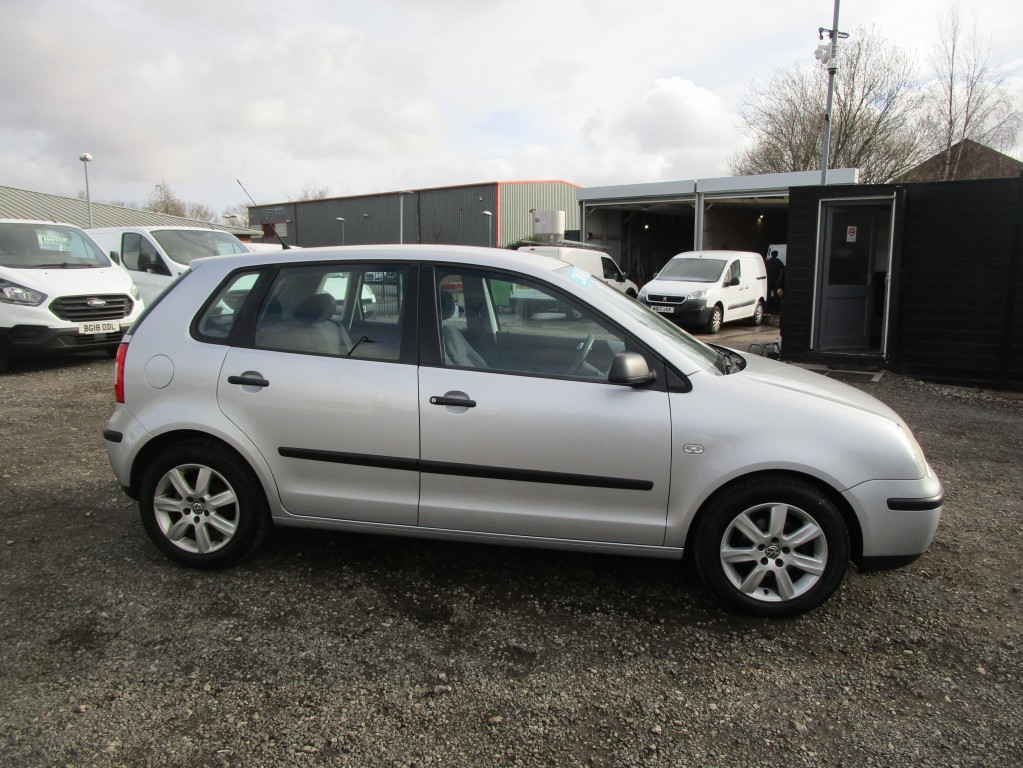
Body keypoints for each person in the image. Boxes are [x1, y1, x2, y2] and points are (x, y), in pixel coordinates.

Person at [766, 249, 785, 318]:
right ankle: (776, 310)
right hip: (776, 281)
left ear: (771, 255)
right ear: (776, 255)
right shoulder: (778, 261)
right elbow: (783, 269)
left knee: (767, 295)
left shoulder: (768, 262)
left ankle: (767, 309)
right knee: (777, 296)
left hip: (768, 281)